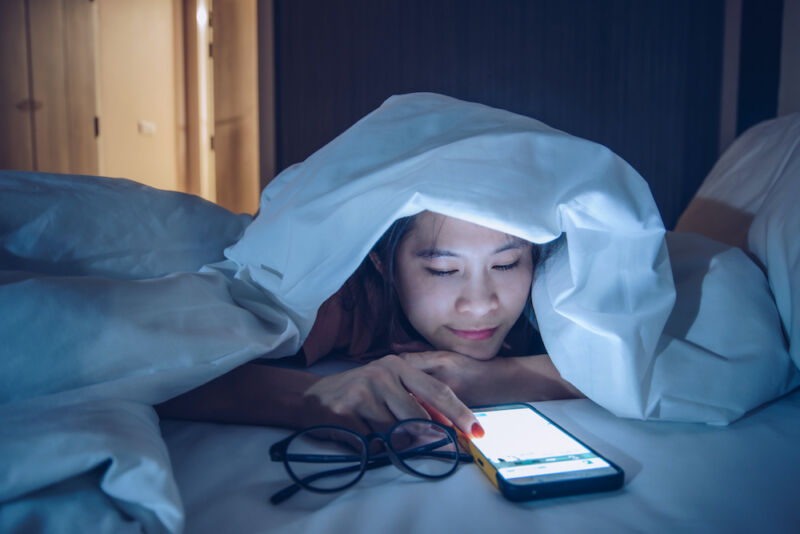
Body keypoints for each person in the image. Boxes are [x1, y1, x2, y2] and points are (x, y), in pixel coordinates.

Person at [156, 210, 581, 437]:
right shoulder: (341, 293)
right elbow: (165, 374)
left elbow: (636, 364)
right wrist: (309, 397)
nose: (480, 305)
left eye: (506, 264)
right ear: (383, 263)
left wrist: (495, 377)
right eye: (443, 270)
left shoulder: (556, 289)